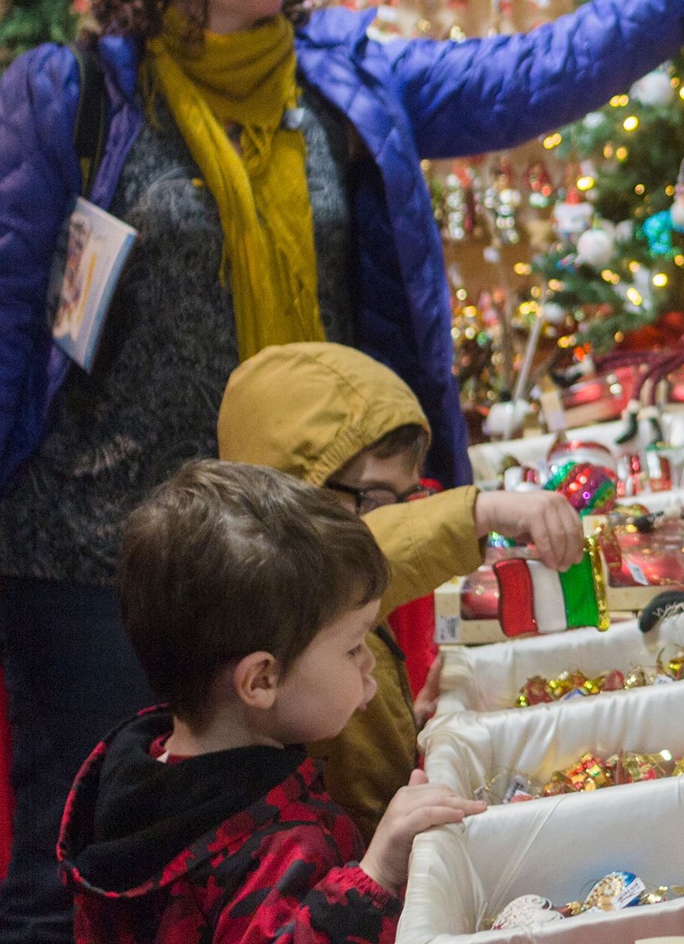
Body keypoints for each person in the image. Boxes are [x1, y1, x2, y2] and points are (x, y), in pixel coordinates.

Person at [0, 0, 684, 944]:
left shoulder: (344, 80)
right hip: (95, 562)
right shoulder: (71, 95)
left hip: (293, 553)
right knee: (85, 870)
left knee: (275, 857)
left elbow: (529, 74)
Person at [59, 460, 486, 944]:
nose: (370, 664)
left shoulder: (139, 776)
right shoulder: (269, 844)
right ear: (260, 680)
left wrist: (413, 724)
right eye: (353, 646)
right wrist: (376, 875)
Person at [217, 340, 574, 838]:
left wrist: (411, 722)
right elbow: (351, 555)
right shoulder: (282, 596)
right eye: (380, 498)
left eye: (410, 497)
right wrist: (480, 511)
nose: (403, 513)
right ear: (295, 496)